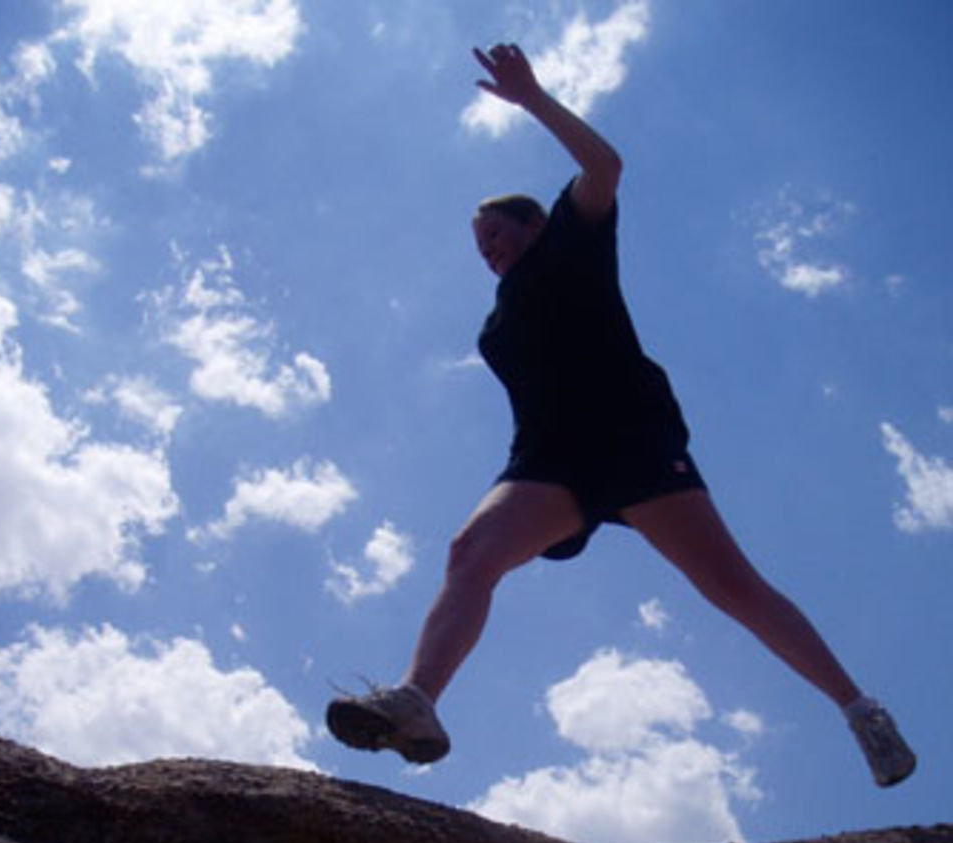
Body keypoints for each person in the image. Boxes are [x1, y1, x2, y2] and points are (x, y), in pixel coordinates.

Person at [327, 42, 916, 788]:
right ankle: (416, 701)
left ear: (536, 225)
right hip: (548, 460)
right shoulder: (498, 317)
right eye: (480, 246)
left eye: (498, 234)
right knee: (469, 554)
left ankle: (860, 709)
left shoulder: (572, 246)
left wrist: (532, 99)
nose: (489, 251)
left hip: (630, 441)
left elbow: (605, 167)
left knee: (733, 588)